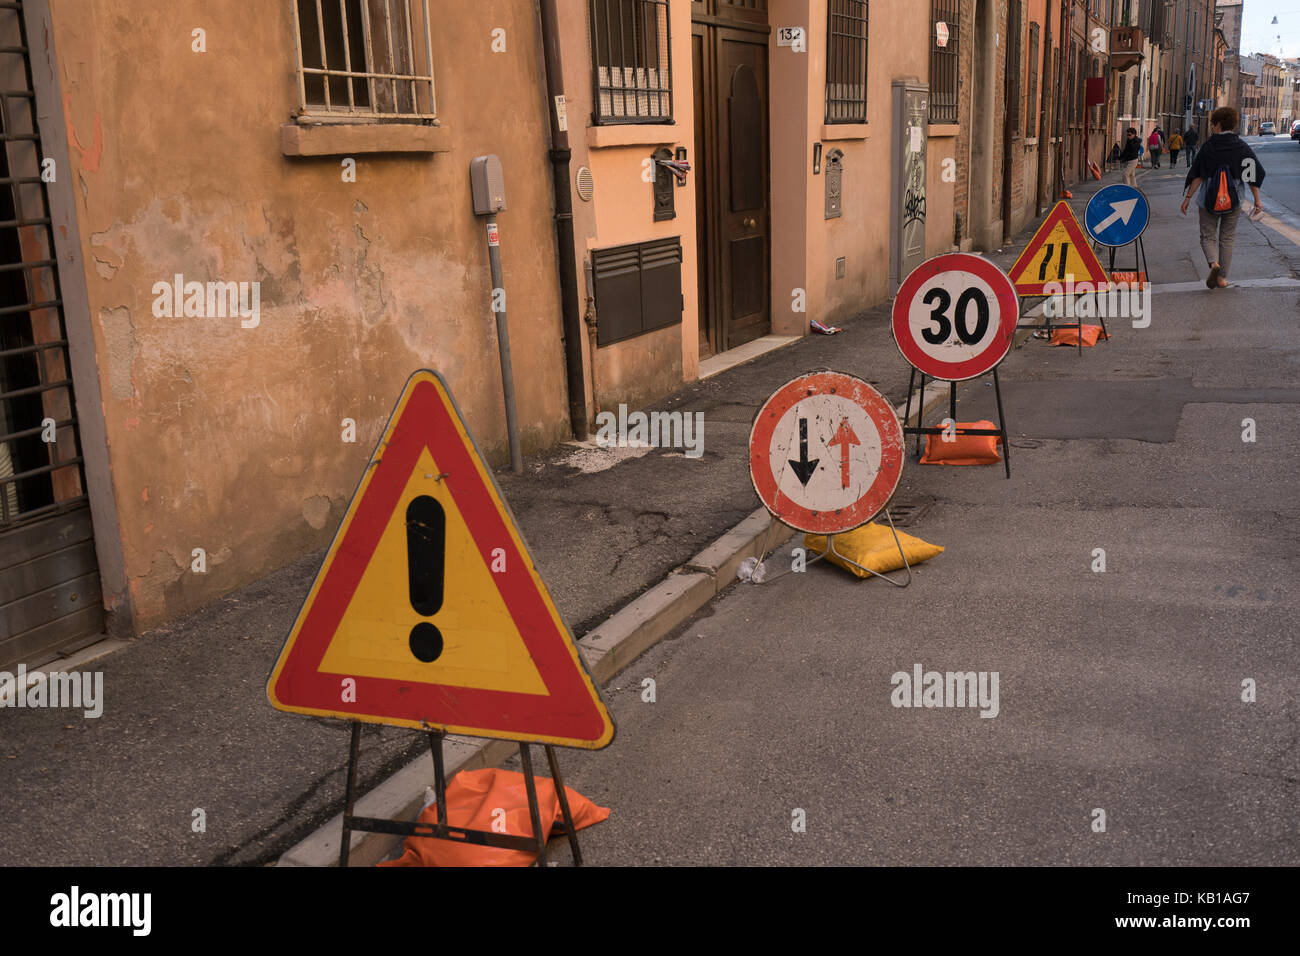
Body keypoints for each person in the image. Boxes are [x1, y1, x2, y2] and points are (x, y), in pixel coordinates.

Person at [1181, 106, 1265, 290]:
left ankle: (1214, 264)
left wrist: (1188, 197)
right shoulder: (1241, 146)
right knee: (1227, 238)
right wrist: (1257, 200)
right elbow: (1252, 174)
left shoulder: (1209, 146)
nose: (1213, 127)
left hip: (1208, 198)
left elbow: (1198, 175)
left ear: (1218, 124)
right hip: (1234, 199)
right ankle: (1222, 279)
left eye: (1213, 124)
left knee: (1207, 235)